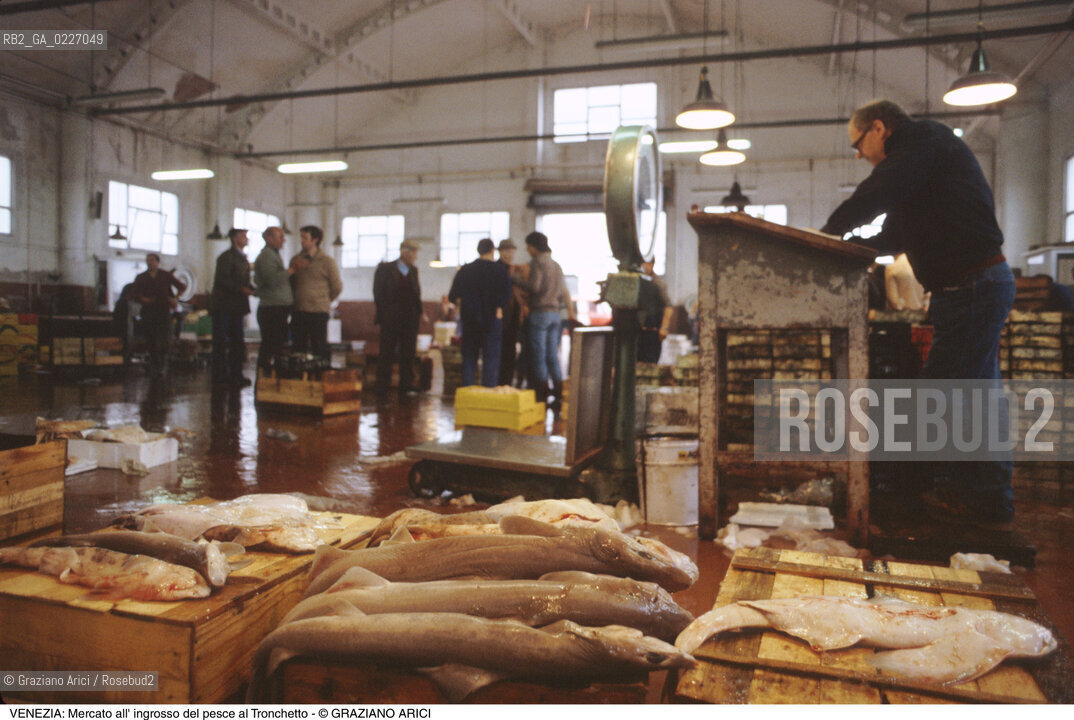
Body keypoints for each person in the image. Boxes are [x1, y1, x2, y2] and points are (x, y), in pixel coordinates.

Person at [820, 98, 1015, 530]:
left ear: (878, 128)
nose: (859, 155)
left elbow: (879, 191)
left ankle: (927, 497)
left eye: (858, 144)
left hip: (973, 288)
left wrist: (828, 234)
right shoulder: (921, 171)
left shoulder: (923, 141)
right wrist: (847, 248)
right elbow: (894, 234)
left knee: (941, 395)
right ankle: (988, 499)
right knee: (977, 395)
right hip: (969, 289)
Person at [516, 231, 575, 412]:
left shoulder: (537, 263)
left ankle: (542, 394)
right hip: (555, 315)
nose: (527, 250)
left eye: (528, 246)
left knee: (539, 356)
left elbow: (534, 287)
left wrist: (514, 280)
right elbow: (563, 292)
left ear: (534, 247)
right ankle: (558, 394)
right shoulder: (557, 266)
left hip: (540, 314)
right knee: (552, 356)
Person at [448, 238, 512, 387]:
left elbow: (452, 296)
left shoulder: (465, 270)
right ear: (492, 250)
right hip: (492, 321)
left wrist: (464, 303)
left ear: (478, 250)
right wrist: (498, 306)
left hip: (469, 321)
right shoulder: (500, 271)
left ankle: (468, 392)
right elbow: (507, 296)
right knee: (491, 359)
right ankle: (487, 394)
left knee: (469, 359)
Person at [373, 238, 424, 398]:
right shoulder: (385, 269)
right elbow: (378, 292)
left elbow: (416, 293)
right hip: (390, 318)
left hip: (410, 319)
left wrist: (420, 313)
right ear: (404, 252)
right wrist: (385, 314)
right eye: (414, 252)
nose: (415, 256)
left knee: (408, 352)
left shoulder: (413, 271)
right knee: (386, 352)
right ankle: (382, 385)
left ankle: (406, 385)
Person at [290, 225, 343, 360]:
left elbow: (337, 287)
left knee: (319, 347)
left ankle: (321, 372)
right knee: (298, 348)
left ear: (315, 240)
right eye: (301, 237)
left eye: (305, 238)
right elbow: (291, 284)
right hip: (299, 310)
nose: (301, 241)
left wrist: (323, 300)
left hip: (318, 311)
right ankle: (300, 373)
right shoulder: (295, 260)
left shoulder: (327, 262)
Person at [211, 228, 254, 388]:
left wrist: (253, 289)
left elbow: (244, 281)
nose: (246, 239)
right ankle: (220, 376)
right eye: (243, 236)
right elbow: (223, 279)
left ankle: (236, 375)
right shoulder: (226, 257)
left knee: (237, 343)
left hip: (236, 307)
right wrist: (241, 289)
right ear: (235, 239)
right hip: (224, 306)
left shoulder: (242, 258)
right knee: (221, 343)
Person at [131, 253, 187, 375]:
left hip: (163, 311)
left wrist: (175, 298)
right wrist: (143, 299)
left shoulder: (165, 275)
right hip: (148, 312)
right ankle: (154, 365)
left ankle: (162, 365)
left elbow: (182, 286)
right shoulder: (141, 277)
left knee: (164, 339)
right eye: (147, 260)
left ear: (157, 262)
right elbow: (133, 294)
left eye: (152, 260)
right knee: (150, 339)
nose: (149, 263)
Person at [253, 226, 295, 374]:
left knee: (275, 346)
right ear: (269, 239)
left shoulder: (273, 255)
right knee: (270, 346)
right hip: (272, 309)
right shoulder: (267, 256)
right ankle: (266, 377)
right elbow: (271, 280)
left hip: (277, 308)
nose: (284, 240)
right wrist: (291, 270)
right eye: (280, 237)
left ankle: (270, 376)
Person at [497, 239, 527, 387]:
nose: (510, 255)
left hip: (514, 318)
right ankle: (499, 383)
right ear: (500, 252)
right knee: (500, 352)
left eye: (512, 252)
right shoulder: (496, 269)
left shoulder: (516, 270)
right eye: (507, 251)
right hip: (501, 318)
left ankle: (507, 384)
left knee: (510, 352)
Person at [638, 257, 674, 364]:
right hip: (638, 332)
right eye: (642, 263)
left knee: (650, 362)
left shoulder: (658, 284)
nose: (644, 266)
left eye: (647, 263)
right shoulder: (638, 282)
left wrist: (664, 327)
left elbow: (668, 307)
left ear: (652, 264)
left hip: (653, 333)